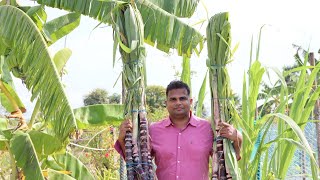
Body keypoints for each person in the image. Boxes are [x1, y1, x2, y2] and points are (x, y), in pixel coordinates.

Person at [115, 80, 242, 180]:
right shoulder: (153, 130)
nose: (178, 103)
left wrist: (237, 137)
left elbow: (230, 159)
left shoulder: (208, 129)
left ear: (190, 101)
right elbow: (137, 165)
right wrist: (122, 139)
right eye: (173, 99)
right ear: (166, 103)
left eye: (182, 98)